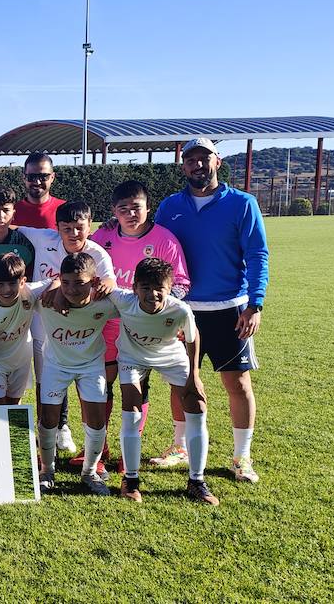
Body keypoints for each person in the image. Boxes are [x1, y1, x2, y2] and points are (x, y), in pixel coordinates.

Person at [154, 137, 269, 484]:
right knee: (181, 380)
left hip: (230, 308)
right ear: (183, 166)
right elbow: (157, 251)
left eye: (204, 158)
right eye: (190, 160)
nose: (197, 165)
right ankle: (180, 447)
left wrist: (255, 304)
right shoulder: (170, 206)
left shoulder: (242, 204)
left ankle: (242, 456)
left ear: (217, 161)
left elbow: (258, 254)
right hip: (183, 309)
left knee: (237, 382)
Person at [92, 180, 192, 469]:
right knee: (101, 384)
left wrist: (155, 309)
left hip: (146, 327)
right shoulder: (104, 236)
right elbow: (87, 263)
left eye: (136, 208)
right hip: (108, 322)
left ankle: (128, 453)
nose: (131, 214)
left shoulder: (165, 239)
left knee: (138, 386)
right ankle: (100, 449)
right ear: (114, 211)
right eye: (123, 209)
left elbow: (182, 283)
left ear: (148, 207)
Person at [107, 258, 211, 504]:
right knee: (131, 411)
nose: (152, 294)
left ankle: (196, 480)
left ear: (169, 288)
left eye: (159, 289)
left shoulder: (179, 309)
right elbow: (101, 287)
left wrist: (194, 376)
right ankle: (130, 480)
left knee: (197, 406)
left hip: (171, 356)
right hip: (133, 357)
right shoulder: (124, 300)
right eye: (144, 287)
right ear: (134, 288)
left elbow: (193, 338)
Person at [17, 201, 116, 455]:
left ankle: (70, 433)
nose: (73, 234)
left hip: (79, 334)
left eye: (79, 227)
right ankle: (52, 433)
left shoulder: (98, 254)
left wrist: (60, 285)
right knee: (47, 383)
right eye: (67, 228)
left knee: (86, 386)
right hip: (44, 327)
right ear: (57, 228)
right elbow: (10, 226)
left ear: (89, 224)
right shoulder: (43, 238)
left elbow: (108, 282)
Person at [35, 252, 119, 496]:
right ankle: (46, 470)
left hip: (91, 365)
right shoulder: (46, 298)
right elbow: (16, 290)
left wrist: (175, 325)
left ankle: (89, 472)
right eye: (67, 282)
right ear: (60, 278)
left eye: (80, 283)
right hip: (55, 365)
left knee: (96, 419)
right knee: (48, 418)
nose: (72, 289)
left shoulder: (106, 302)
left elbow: (139, 304)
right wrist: (54, 286)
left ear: (93, 282)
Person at [0, 253, 50, 414]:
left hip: (21, 360)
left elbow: (56, 281)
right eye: (0, 284)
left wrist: (55, 288)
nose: (7, 290)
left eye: (12, 283)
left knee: (14, 409)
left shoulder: (30, 292)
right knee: (0, 411)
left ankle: (20, 440)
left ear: (22, 282)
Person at [12, 153, 65, 229]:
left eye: (43, 177)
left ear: (52, 177)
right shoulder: (10, 214)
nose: (37, 182)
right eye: (31, 177)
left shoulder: (66, 210)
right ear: (24, 178)